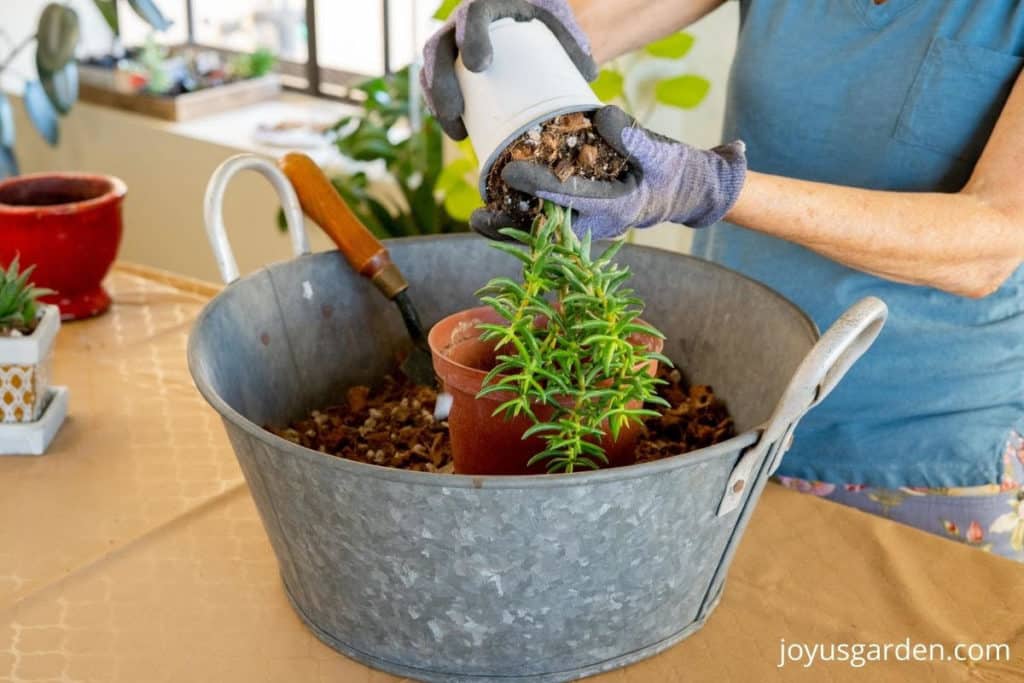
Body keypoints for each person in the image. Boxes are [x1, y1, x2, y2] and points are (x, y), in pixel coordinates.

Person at [421, 0, 1024, 560]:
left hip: (918, 459)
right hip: (731, 426)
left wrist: (711, 186)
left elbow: (990, 245)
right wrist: (518, 41)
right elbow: (604, 18)